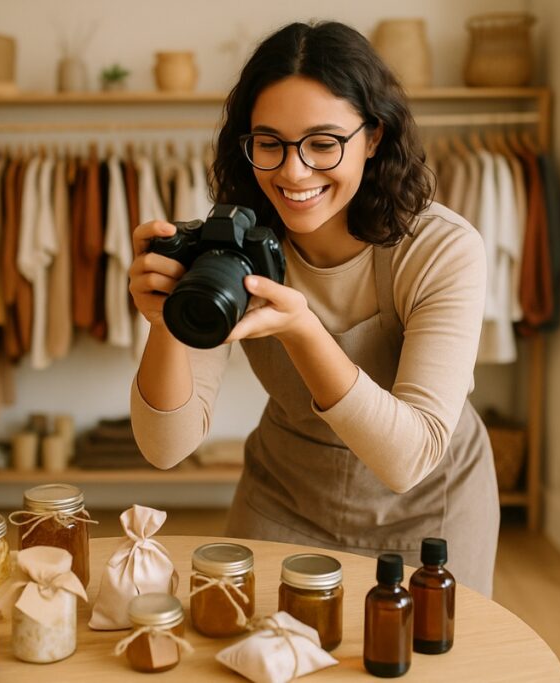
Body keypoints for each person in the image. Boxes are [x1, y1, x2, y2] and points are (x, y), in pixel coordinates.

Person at [128, 21, 499, 597]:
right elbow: (165, 447)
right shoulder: (231, 246)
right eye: (269, 143)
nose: (293, 171)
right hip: (284, 495)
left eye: (323, 143)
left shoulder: (441, 250)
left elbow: (408, 459)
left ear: (373, 137)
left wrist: (304, 331)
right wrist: (166, 326)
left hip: (427, 506)